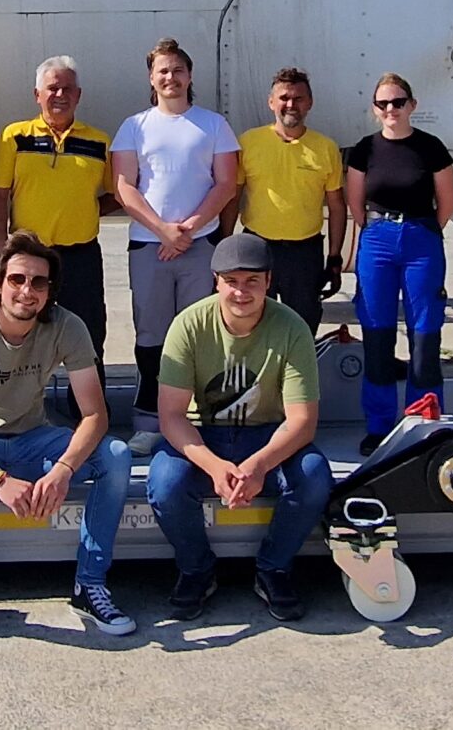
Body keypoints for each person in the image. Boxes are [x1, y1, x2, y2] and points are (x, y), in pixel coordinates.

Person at [0, 232, 137, 652]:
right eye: (17, 279)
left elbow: (95, 415)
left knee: (116, 456)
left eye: (39, 283)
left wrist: (63, 470)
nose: (27, 290)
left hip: (34, 439)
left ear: (50, 291)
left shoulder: (67, 327)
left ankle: (90, 586)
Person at [146, 232, 332, 622]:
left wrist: (259, 465)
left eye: (252, 281)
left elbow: (302, 421)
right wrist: (216, 467)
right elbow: (172, 417)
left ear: (268, 281)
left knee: (314, 475)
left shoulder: (292, 328)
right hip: (204, 433)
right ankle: (196, 569)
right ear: (216, 281)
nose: (241, 292)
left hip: (266, 434)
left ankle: (273, 568)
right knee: (165, 481)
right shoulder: (189, 326)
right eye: (231, 281)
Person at [111, 38, 241, 454]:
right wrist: (163, 230)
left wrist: (188, 229)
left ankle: (202, 418)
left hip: (198, 247)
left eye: (178, 70)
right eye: (162, 71)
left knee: (201, 334)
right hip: (149, 247)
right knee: (152, 336)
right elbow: (123, 188)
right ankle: (150, 420)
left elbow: (226, 183)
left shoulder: (213, 125)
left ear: (190, 75)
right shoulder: (134, 126)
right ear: (152, 78)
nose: (171, 78)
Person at [345, 72, 453, 448]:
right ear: (374, 109)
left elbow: (446, 202)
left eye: (397, 102)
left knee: (425, 334)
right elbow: (355, 203)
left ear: (412, 105)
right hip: (377, 239)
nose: (391, 109)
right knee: (377, 334)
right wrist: (378, 230)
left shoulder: (431, 148)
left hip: (420, 240)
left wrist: (423, 230)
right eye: (383, 104)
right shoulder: (364, 150)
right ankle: (379, 426)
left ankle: (423, 419)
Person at [0, 56, 114, 360]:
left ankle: (85, 407)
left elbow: (118, 193)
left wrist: (84, 210)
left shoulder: (99, 142)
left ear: (78, 95)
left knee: (88, 336)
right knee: (19, 333)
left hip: (80, 257)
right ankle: (17, 404)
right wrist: (0, 250)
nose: (60, 95)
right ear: (37, 95)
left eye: (68, 89)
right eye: (52, 88)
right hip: (29, 257)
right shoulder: (14, 137)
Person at [230, 67, 347, 330]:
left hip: (305, 253)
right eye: (283, 98)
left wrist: (335, 257)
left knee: (303, 328)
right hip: (258, 248)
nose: (290, 104)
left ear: (310, 103)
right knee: (253, 324)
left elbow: (338, 207)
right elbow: (232, 197)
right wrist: (223, 244)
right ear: (271, 102)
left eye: (298, 98)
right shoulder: (249, 142)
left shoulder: (325, 147)